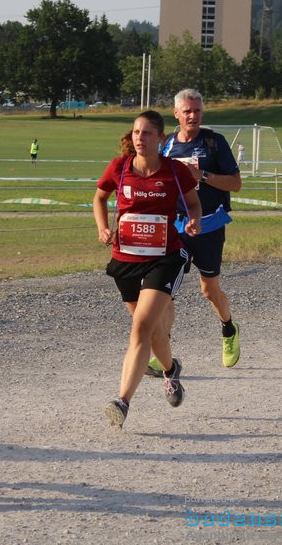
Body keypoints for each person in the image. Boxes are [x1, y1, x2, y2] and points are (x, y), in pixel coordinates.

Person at [94, 110, 201, 427]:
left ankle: (122, 400)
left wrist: (194, 220)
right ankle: (170, 370)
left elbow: (193, 204)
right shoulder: (120, 167)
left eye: (147, 133)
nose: (140, 138)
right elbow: (99, 198)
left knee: (141, 327)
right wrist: (103, 229)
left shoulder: (175, 171)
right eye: (137, 132)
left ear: (161, 139)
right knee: (153, 331)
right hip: (125, 259)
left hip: (165, 258)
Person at [159, 89, 243, 368]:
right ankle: (163, 352)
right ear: (176, 114)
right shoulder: (168, 145)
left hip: (209, 226)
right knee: (166, 291)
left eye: (197, 111)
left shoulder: (214, 142)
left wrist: (202, 176)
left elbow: (235, 183)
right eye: (187, 111)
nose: (193, 116)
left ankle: (229, 328)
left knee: (209, 290)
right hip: (177, 228)